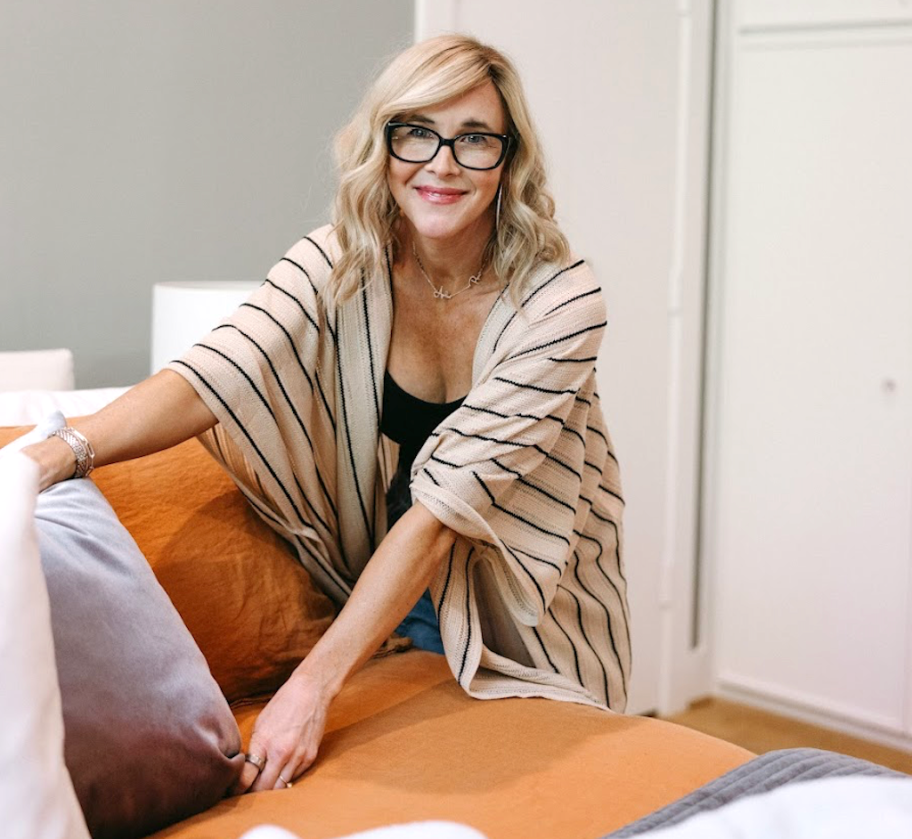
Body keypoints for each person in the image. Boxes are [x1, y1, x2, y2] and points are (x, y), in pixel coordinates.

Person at [22, 35, 630, 795]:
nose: (442, 163)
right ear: (384, 143)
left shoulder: (561, 301)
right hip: (382, 577)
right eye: (417, 132)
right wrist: (55, 453)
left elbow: (446, 511)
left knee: (556, 791)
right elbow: (214, 373)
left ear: (509, 160)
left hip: (526, 596)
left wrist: (310, 689)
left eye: (475, 139)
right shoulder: (341, 259)